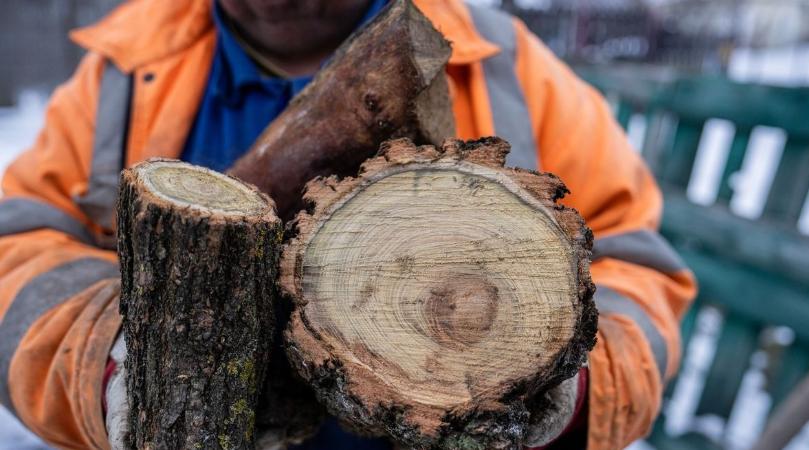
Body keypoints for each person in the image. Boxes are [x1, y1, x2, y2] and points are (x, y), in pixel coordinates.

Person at [0, 0, 697, 449]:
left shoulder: (505, 65)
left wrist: (555, 376)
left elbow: (638, 267)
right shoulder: (124, 68)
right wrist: (104, 366)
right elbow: (18, 245)